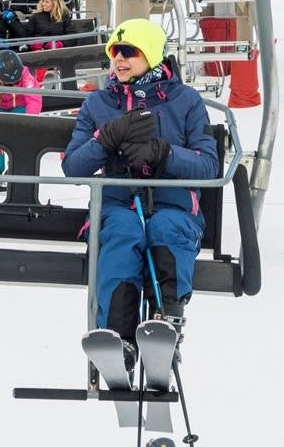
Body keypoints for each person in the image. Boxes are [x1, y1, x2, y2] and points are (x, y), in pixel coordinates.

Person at [61, 18, 218, 369]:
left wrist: (164, 153)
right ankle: (118, 336)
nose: (119, 59)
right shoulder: (99, 104)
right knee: (123, 231)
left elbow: (209, 165)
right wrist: (106, 139)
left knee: (166, 228)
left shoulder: (185, 101)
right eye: (114, 51)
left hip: (173, 203)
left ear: (152, 54)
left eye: (129, 51)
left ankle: (167, 321)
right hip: (119, 201)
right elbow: (73, 166)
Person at [0, 49, 42, 172]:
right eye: (7, 84)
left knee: (22, 134)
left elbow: (34, 99)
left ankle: (17, 165)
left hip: (20, 107)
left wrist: (29, 123)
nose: (12, 86)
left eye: (16, 82)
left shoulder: (26, 76)